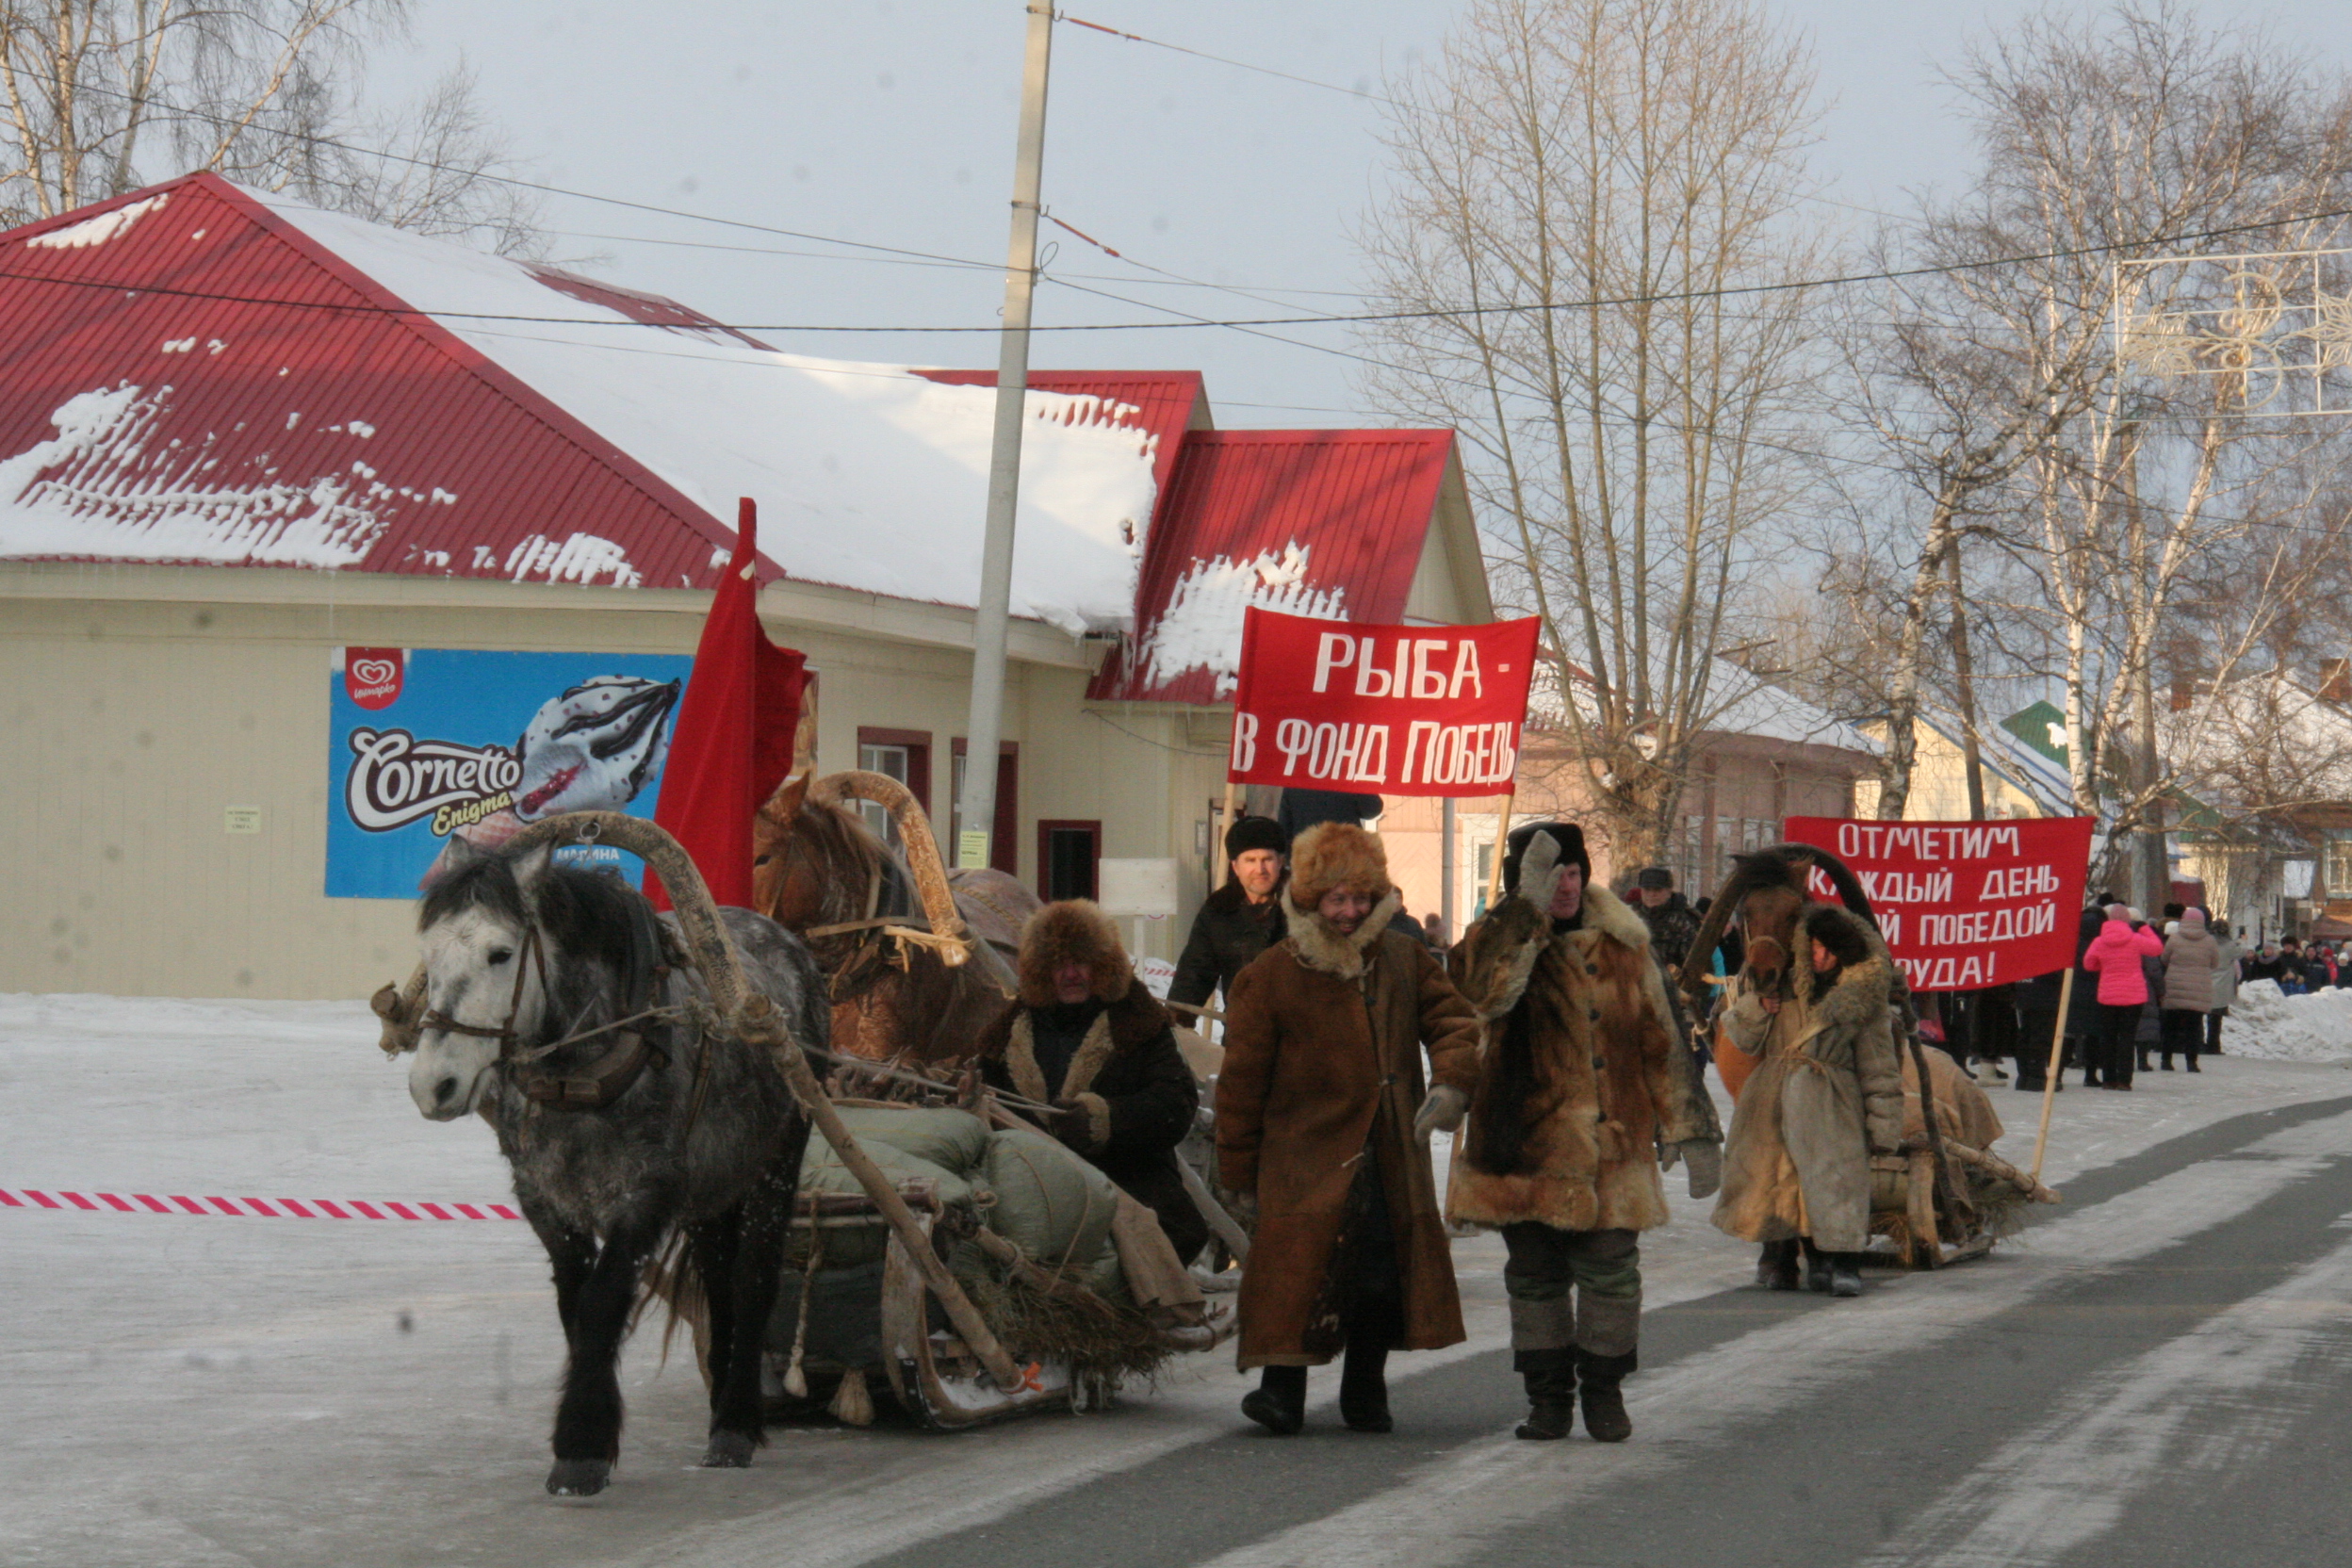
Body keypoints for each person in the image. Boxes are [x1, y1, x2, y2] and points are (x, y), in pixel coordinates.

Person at [1443, 823, 1721, 1443]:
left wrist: (1691, 1128)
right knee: (1535, 1279)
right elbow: (1478, 996)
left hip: (1611, 1146)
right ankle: (1547, 1400)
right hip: (1523, 1145)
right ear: (1524, 880)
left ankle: (1603, 1391)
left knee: (1612, 1276)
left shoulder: (1624, 947)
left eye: (1573, 873)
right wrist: (1523, 917)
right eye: (1550, 875)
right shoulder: (1494, 942)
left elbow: (1662, 1042)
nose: (1565, 886)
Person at [1216, 823, 1481, 1436]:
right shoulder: (1272, 975)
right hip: (1301, 1155)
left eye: (1361, 898)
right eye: (1337, 898)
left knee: (1380, 1275)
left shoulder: (1402, 958)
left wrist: (1451, 1082)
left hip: (1387, 1147)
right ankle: (1281, 1392)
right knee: (1295, 1274)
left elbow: (1453, 1022)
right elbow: (1241, 1083)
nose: (1350, 911)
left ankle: (1366, 1389)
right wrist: (1236, 1170)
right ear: (1309, 898)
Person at [975, 901, 1209, 1264]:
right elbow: (986, 1098)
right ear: (1040, 971)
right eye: (1058, 965)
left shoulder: (1137, 1020)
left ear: (1103, 965)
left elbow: (1175, 1103)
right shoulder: (1009, 1030)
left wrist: (1105, 1120)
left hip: (1127, 1178)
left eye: (1081, 962)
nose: (1070, 975)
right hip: (1032, 1188)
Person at [1711, 902, 1905, 1299]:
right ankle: (1786, 1257)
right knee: (1776, 1177)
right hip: (1773, 1095)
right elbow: (1743, 1039)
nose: (1819, 958)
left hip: (1832, 1097)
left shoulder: (1860, 998)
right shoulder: (1778, 987)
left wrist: (1883, 1124)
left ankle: (1843, 1262)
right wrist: (1757, 1007)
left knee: (1836, 1178)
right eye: (1813, 948)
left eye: (1828, 951)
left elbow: (1879, 1066)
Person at [1168, 817, 1290, 1019]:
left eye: (1267, 859)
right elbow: (1194, 975)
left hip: (1300, 1036)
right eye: (1250, 860)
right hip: (1243, 1032)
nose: (1260, 870)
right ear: (1235, 866)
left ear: (1281, 862)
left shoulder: (1305, 907)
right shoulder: (1219, 910)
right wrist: (1176, 1024)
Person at [2082, 904, 2163, 1090]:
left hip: (2108, 995)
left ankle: (2109, 1079)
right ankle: (2124, 1080)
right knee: (2127, 1038)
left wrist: (2103, 968)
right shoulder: (2135, 939)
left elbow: (2088, 964)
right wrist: (2144, 928)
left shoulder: (2099, 941)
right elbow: (2157, 948)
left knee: (2108, 1038)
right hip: (2133, 995)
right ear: (2128, 920)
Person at [2159, 908, 2218, 1073]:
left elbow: (2164, 958)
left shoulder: (2174, 938)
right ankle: (2191, 1062)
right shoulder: (2209, 940)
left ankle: (2166, 1060)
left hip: (2175, 987)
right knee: (2194, 1027)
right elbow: (2215, 963)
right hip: (2198, 989)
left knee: (2171, 1026)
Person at [1630, 867, 1702, 973]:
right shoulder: (1630, 917)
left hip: (1672, 984)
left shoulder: (1684, 921)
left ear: (1669, 892)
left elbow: (1697, 965)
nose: (1651, 894)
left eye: (1657, 890)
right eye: (1647, 889)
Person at [2207, 919, 2242, 1056]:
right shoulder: (2230, 945)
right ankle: (2214, 1045)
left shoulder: (2207, 943)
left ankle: (2203, 1043)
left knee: (2201, 1015)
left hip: (2206, 980)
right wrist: (2242, 941)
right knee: (2216, 1017)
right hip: (2222, 984)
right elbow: (2242, 952)